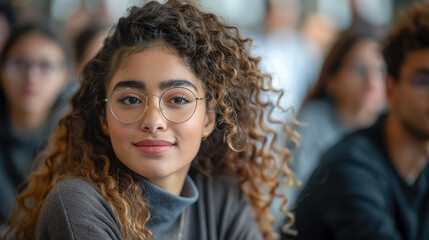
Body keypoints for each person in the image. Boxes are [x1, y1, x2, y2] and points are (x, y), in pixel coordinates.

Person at [4, 1, 292, 239]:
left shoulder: (222, 198)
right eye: (130, 100)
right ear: (104, 117)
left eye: (178, 99)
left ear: (209, 119)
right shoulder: (76, 204)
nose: (153, 121)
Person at [291, 3, 429, 239]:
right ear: (390, 88)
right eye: (423, 81)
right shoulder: (349, 168)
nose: (369, 81)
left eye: (375, 70)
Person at [285, 29, 387, 209]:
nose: (372, 80)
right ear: (332, 79)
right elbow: (296, 195)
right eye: (360, 69)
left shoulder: (398, 127)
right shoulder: (309, 123)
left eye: (380, 70)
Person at [0, 22, 73, 230]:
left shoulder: (78, 138)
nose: (31, 77)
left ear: (66, 75)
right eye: (19, 64)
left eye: (46, 66)